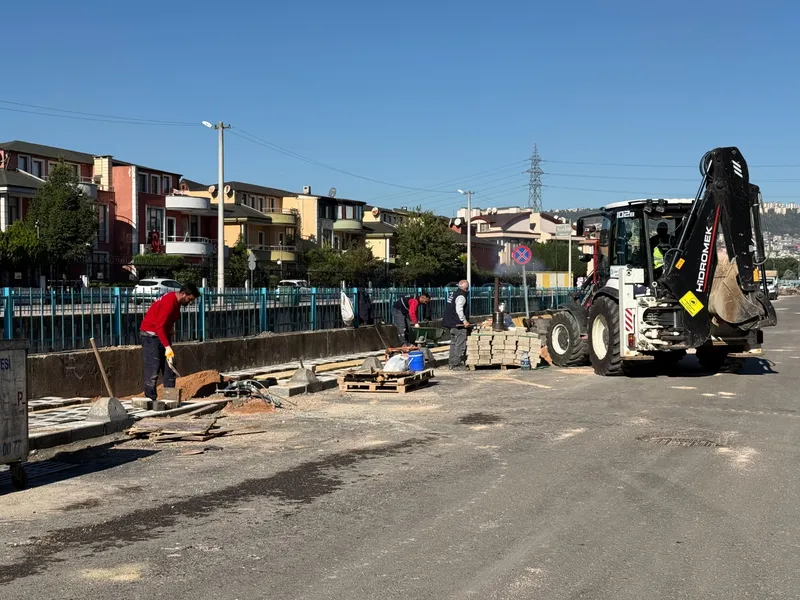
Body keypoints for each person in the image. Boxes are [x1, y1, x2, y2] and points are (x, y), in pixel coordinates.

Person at [139, 283, 200, 401]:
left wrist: (170, 334)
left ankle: (170, 398)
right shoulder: (169, 303)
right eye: (189, 299)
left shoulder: (176, 303)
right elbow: (159, 326)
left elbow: (169, 321)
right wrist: (167, 346)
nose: (190, 302)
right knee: (153, 368)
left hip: (162, 335)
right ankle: (150, 399)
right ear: (183, 294)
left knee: (169, 367)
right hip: (150, 335)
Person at [443, 280, 471, 370]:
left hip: (450, 323)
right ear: (466, 288)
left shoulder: (454, 294)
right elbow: (459, 309)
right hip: (458, 324)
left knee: (453, 344)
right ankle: (456, 364)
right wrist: (464, 321)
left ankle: (451, 363)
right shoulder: (461, 296)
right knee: (460, 344)